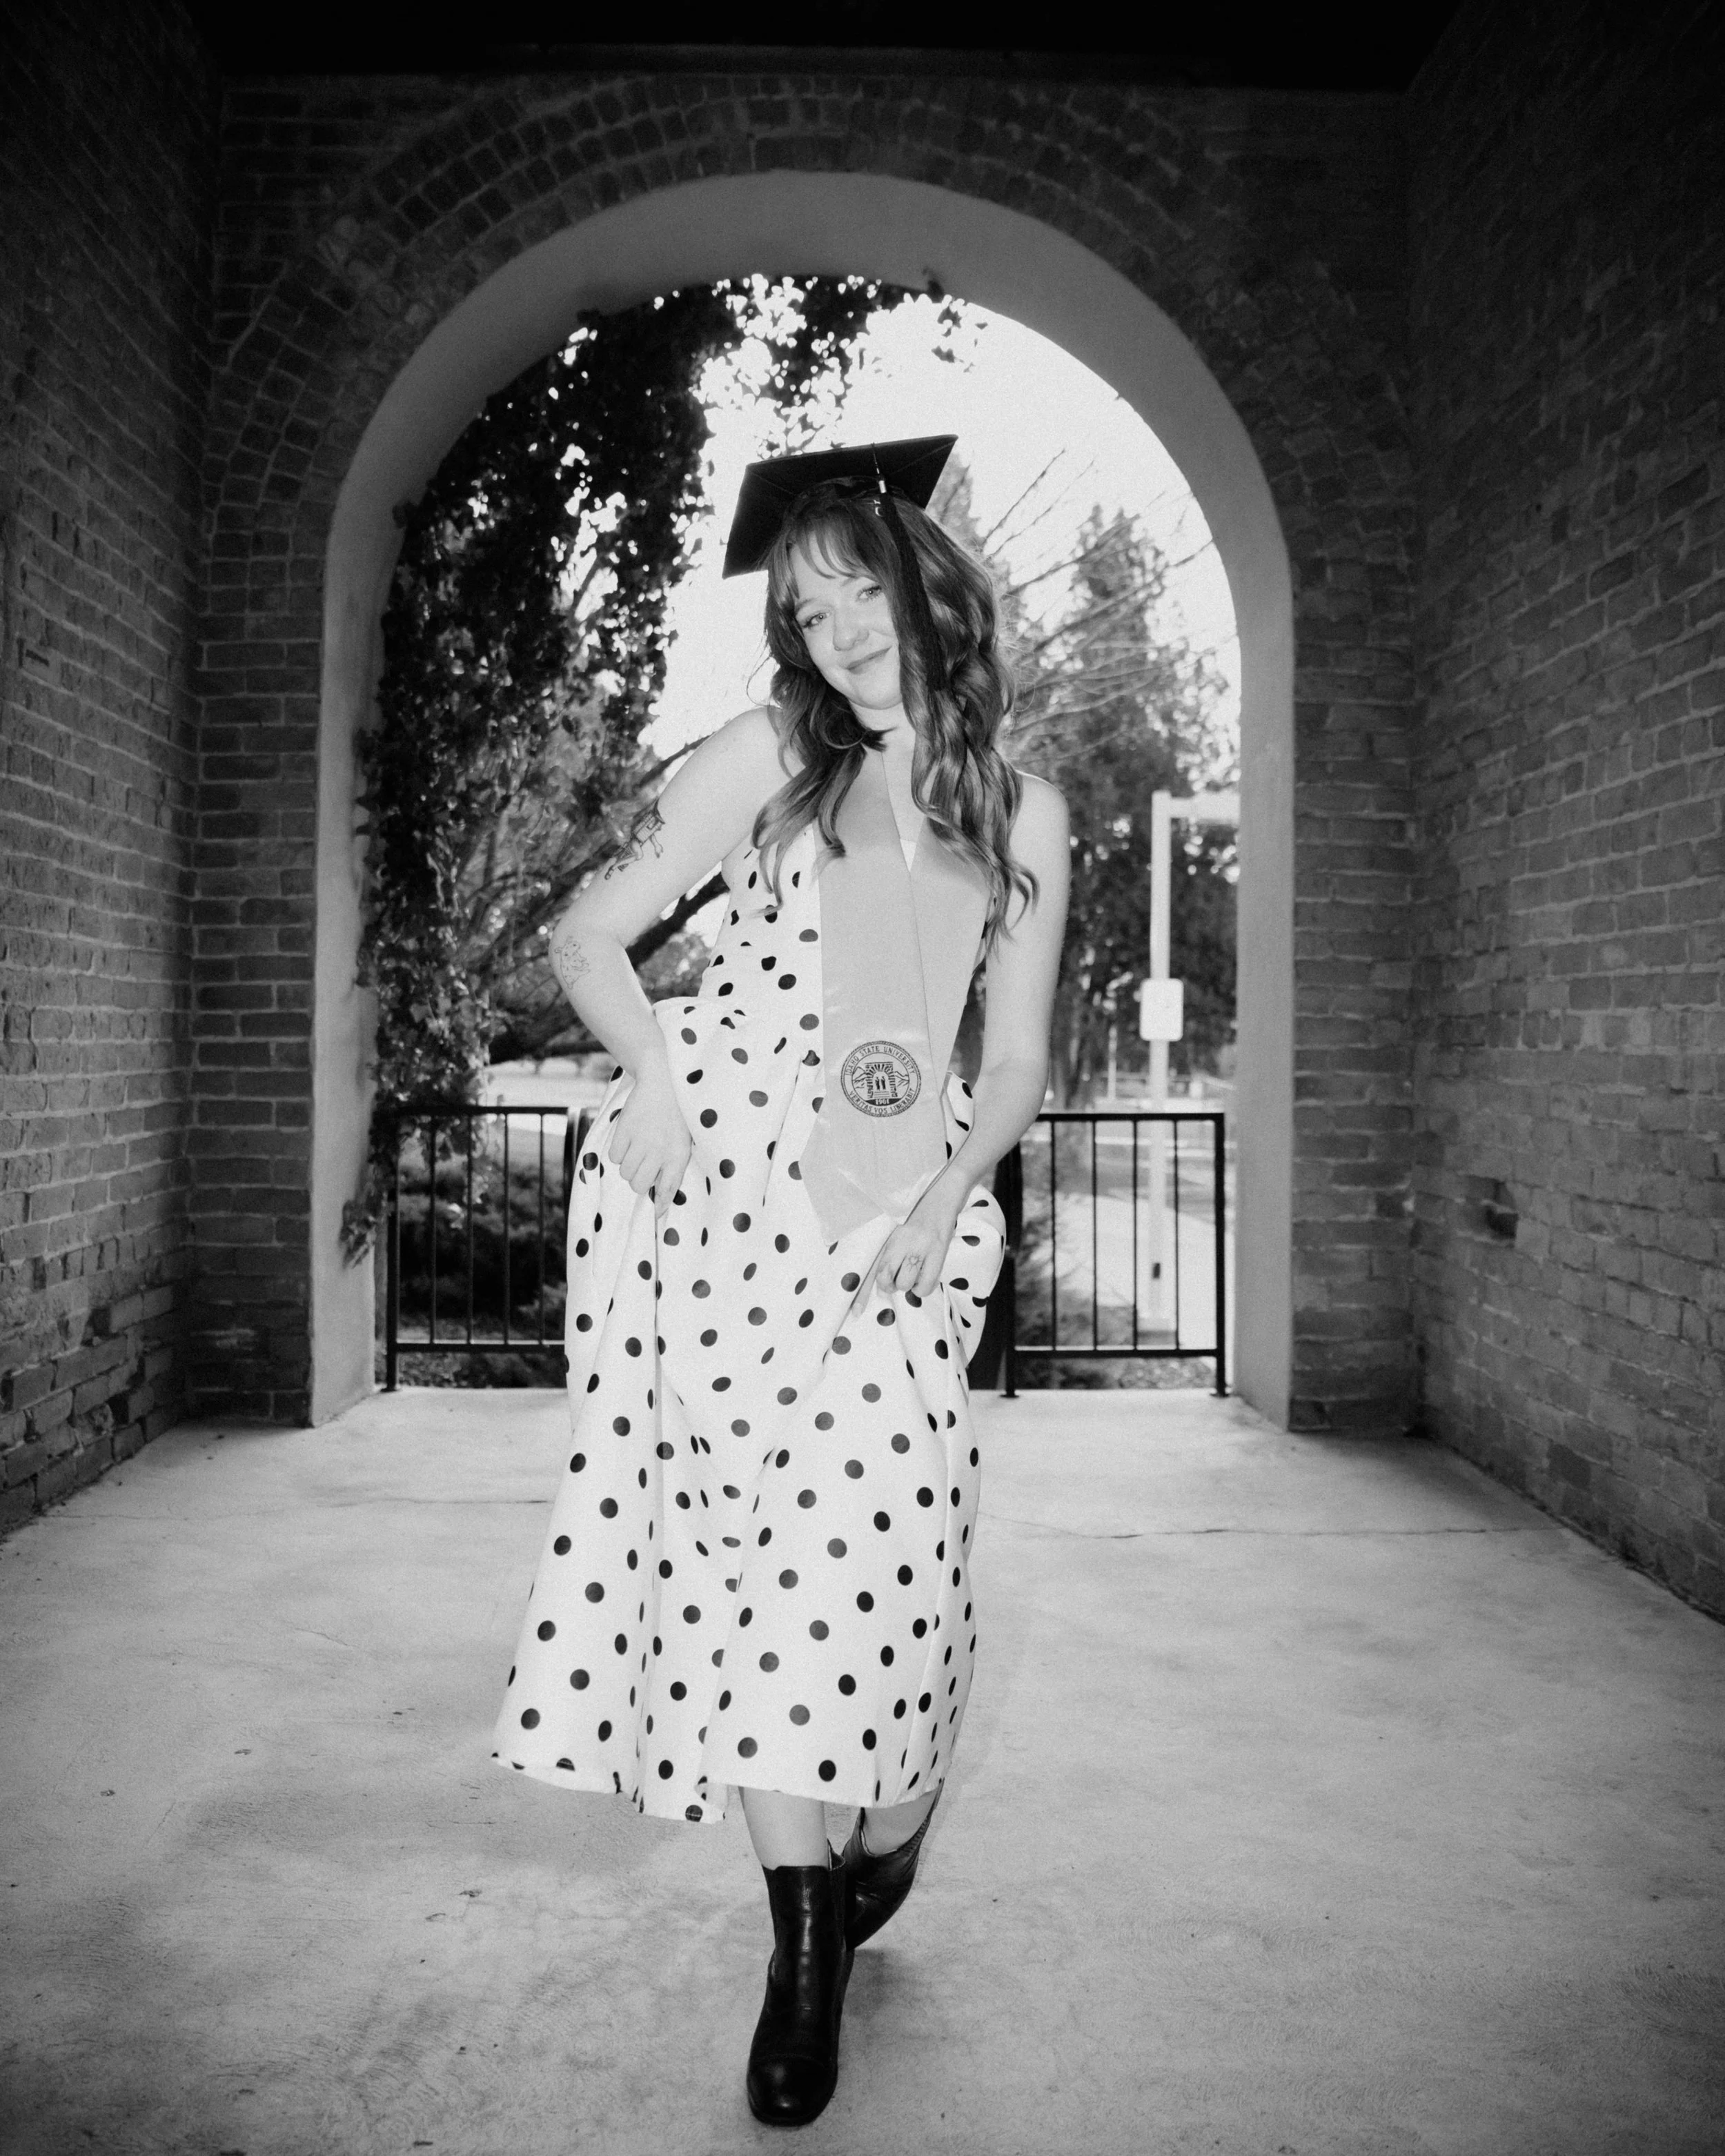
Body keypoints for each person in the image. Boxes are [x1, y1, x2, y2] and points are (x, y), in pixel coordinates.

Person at [493, 433, 1070, 2126]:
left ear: (920, 581)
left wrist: (951, 1191)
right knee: (754, 1580)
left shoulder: (1018, 804)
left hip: (901, 1207)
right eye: (805, 615)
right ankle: (800, 1955)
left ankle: (892, 1813)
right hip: (723, 1209)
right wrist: (653, 1069)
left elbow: (1018, 1054)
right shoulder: (767, 760)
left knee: (888, 1555)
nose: (837, 637)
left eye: (857, 597)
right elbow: (585, 936)